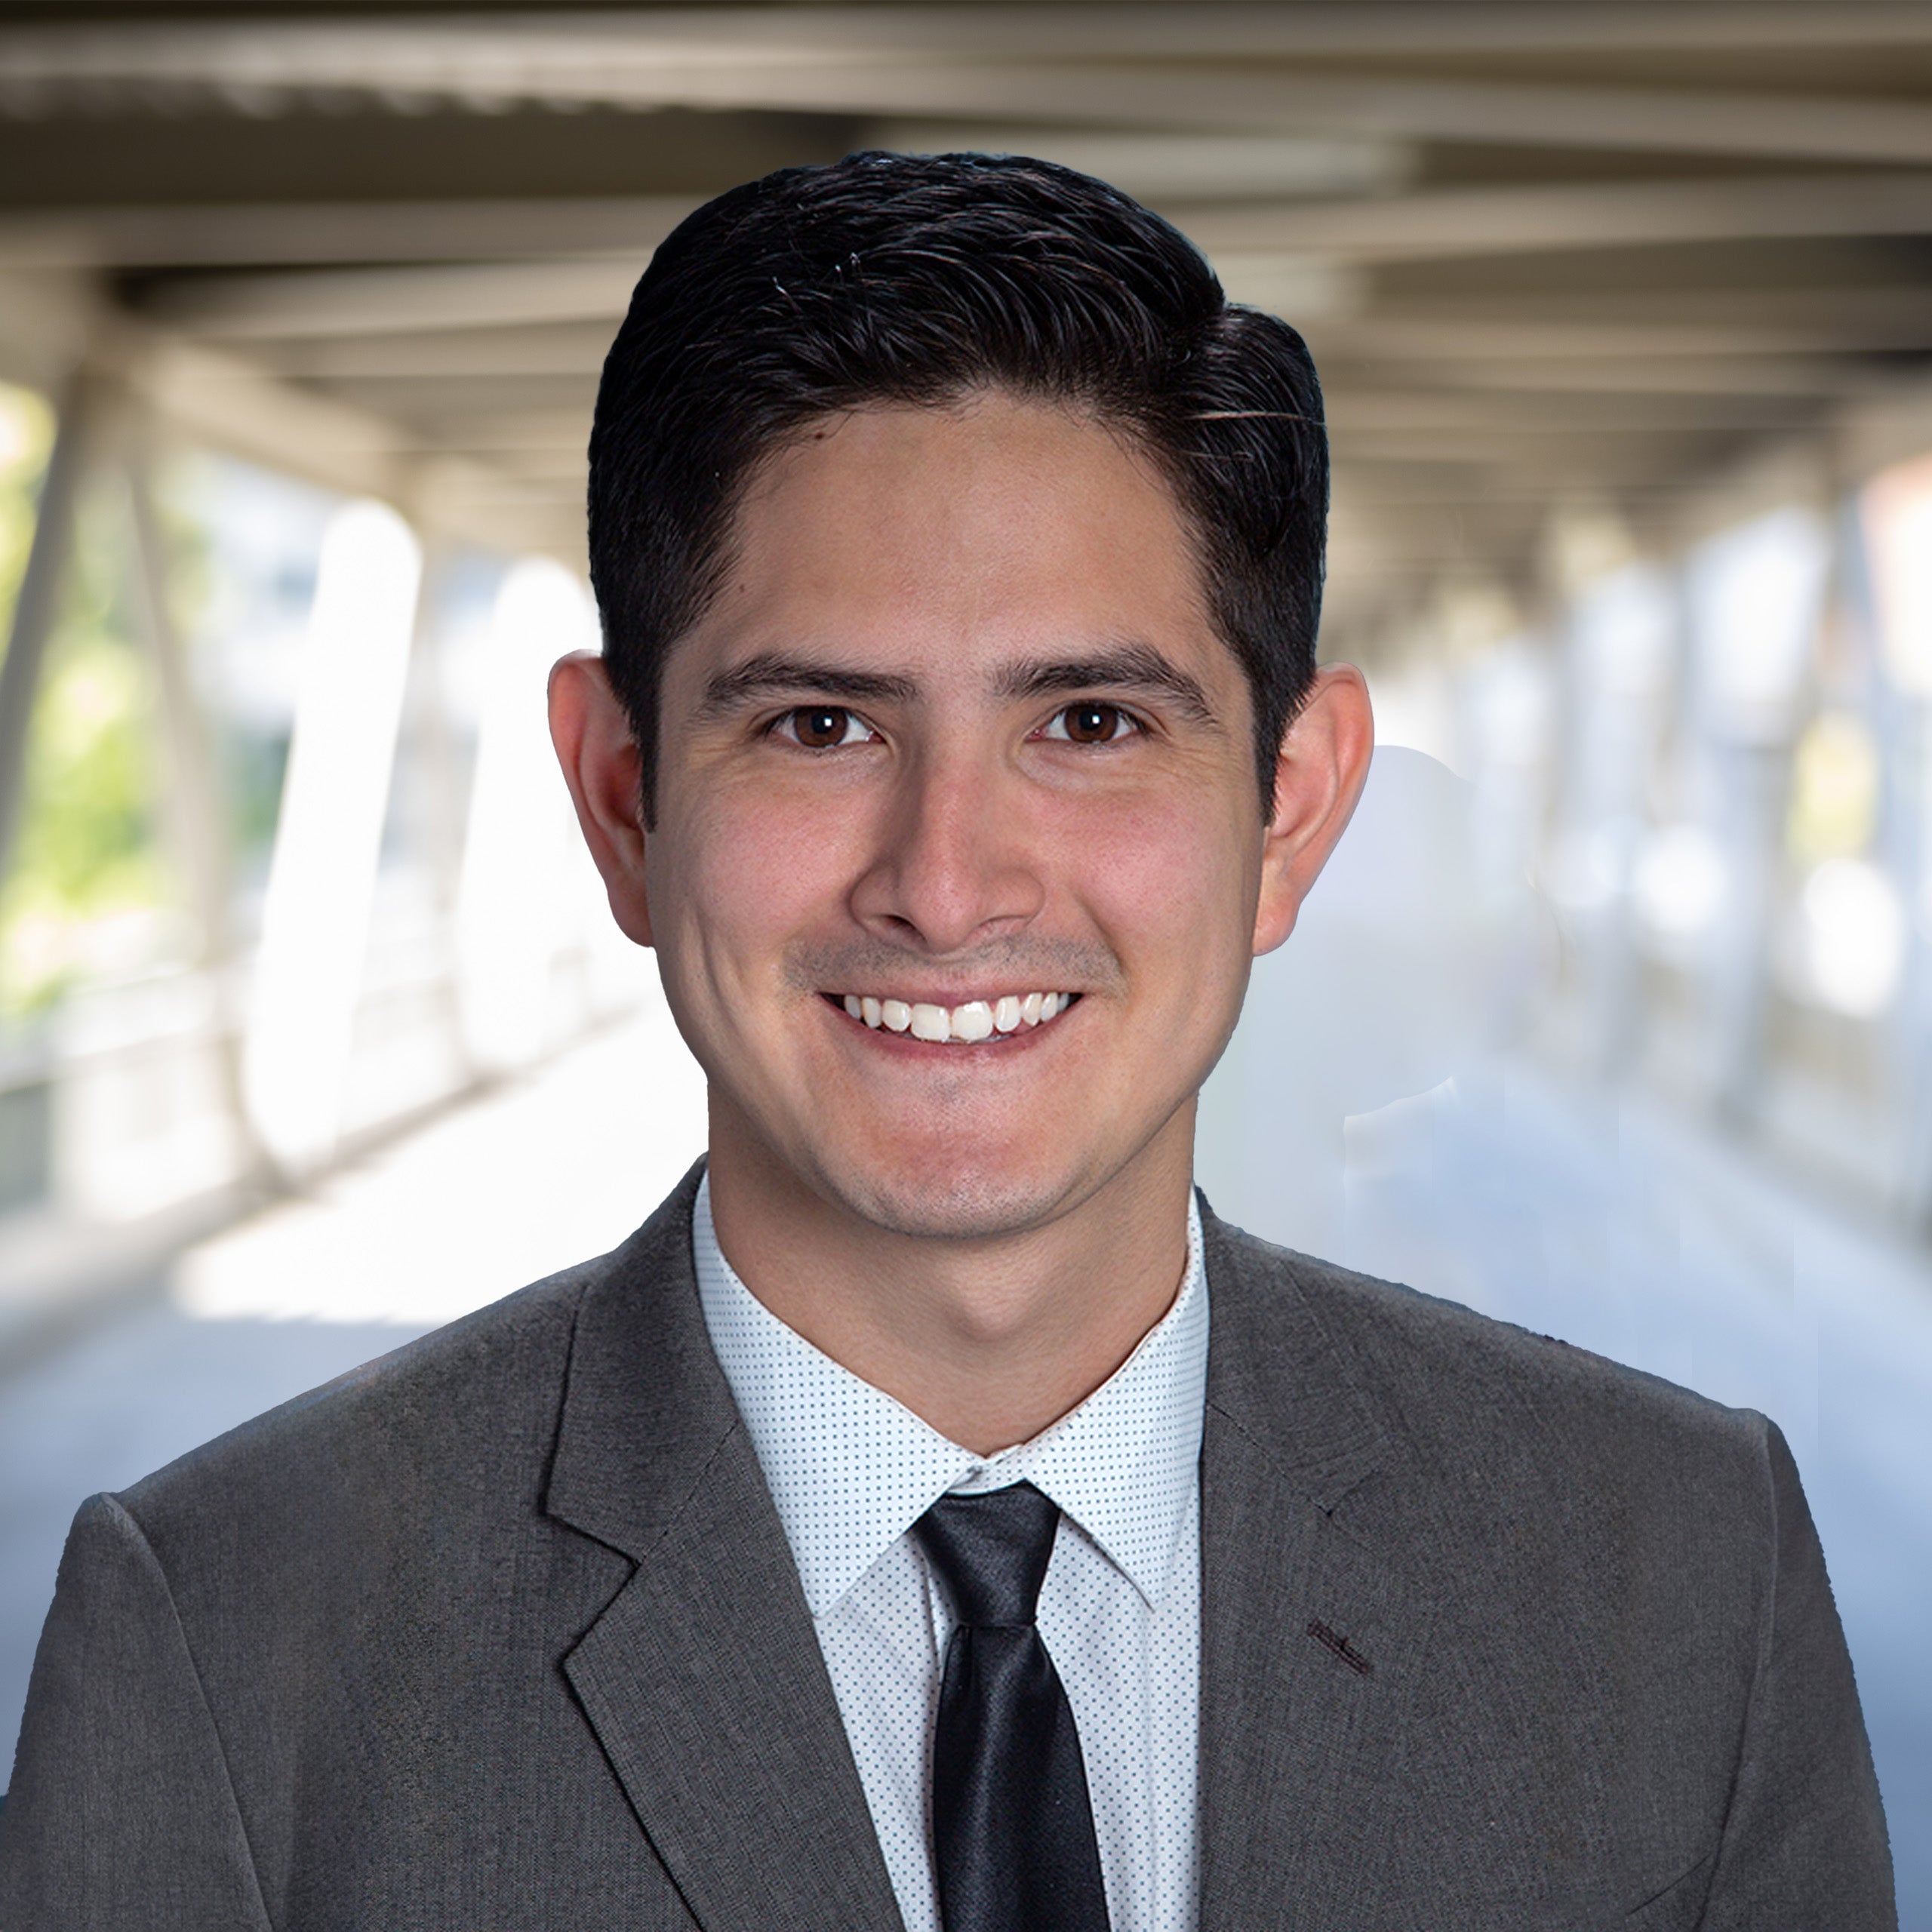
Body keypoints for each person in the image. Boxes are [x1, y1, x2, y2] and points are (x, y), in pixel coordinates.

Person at [0, 152, 1894, 1931]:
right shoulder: (226, 1639)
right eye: (821, 725)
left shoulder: (1677, 1571)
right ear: (622, 800)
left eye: (1088, 721)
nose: (946, 880)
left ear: (1290, 811)